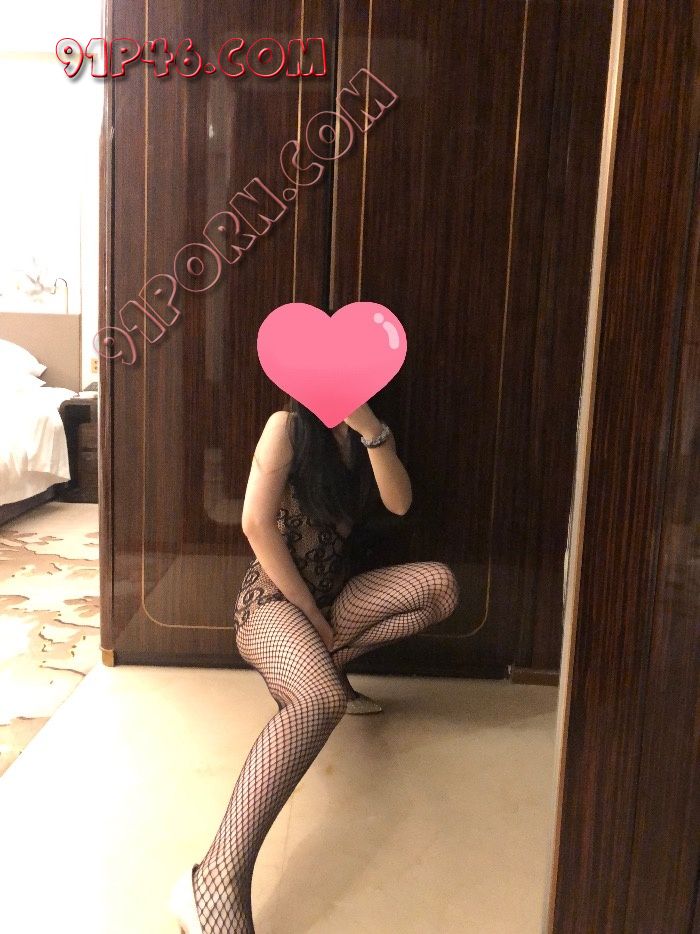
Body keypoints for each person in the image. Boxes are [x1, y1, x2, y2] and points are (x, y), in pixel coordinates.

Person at [170, 399, 460, 933]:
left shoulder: (369, 433)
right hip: (273, 603)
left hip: (336, 598)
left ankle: (324, 666)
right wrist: (307, 612)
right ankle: (213, 879)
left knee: (439, 587)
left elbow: (399, 503)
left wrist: (370, 428)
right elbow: (255, 524)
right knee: (319, 700)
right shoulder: (287, 426)